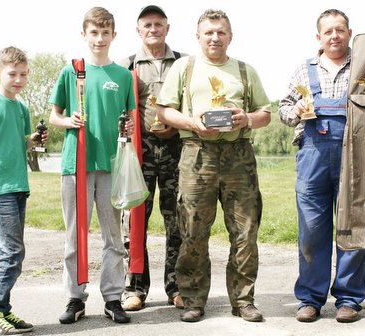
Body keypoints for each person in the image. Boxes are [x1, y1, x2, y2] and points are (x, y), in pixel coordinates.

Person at [156, 8, 272, 323]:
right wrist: (192, 122)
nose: (215, 37)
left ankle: (243, 300)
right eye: (208, 32)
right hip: (196, 154)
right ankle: (193, 299)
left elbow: (266, 112)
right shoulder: (184, 67)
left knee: (245, 232)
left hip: (238, 156)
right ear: (198, 36)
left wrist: (246, 118)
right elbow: (165, 111)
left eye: (221, 32)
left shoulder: (245, 71)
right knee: (192, 230)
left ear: (230, 36)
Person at [278, 9, 365, 324]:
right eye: (328, 31)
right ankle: (310, 299)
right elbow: (283, 109)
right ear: (319, 37)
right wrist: (297, 109)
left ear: (349, 32)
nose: (334, 36)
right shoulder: (304, 70)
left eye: (340, 30)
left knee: (354, 224)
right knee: (312, 230)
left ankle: (349, 299)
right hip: (312, 158)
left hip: (355, 159)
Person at [49, 6, 135, 325]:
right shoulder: (71, 71)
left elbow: (129, 120)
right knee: (75, 233)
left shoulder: (124, 75)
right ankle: (75, 296)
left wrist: (126, 129)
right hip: (76, 163)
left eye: (105, 32)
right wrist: (66, 120)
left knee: (113, 235)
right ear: (84, 35)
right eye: (94, 32)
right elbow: (53, 115)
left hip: (110, 164)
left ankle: (113, 297)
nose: (99, 38)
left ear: (114, 35)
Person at [117, 4, 184, 312]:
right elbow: (117, 109)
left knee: (177, 221)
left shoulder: (184, 63)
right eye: (148, 25)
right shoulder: (126, 65)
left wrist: (178, 123)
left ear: (167, 28)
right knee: (134, 221)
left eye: (159, 24)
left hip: (176, 149)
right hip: (139, 152)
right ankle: (135, 287)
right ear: (138, 30)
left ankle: (177, 286)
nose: (153, 29)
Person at [0, 46, 45, 335]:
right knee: (12, 251)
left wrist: (35, 139)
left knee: (11, 252)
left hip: (19, 187)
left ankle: (2, 310)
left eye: (23, 74)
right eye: (12, 74)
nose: (18, 79)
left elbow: (21, 143)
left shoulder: (21, 108)